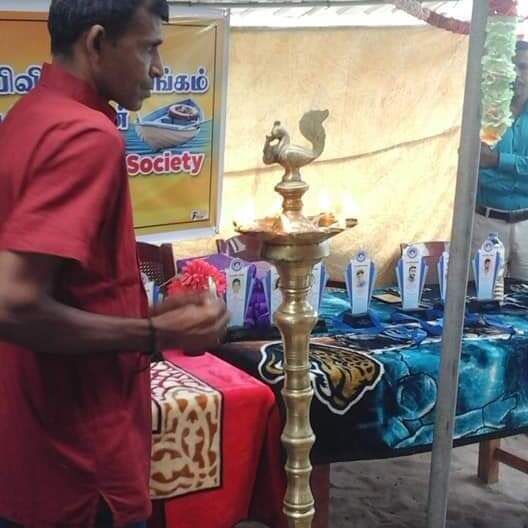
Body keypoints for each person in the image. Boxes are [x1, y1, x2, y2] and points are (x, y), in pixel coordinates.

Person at [0, 1, 228, 527]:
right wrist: (151, 332)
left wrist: (143, 312)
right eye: (149, 48)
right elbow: (13, 303)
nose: (159, 69)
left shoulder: (27, 117)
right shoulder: (87, 136)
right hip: (78, 460)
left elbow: (63, 284)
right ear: (98, 42)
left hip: (26, 444)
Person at [472, 40, 528, 281]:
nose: (517, 74)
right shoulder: (482, 114)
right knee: (481, 297)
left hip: (526, 224)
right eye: (512, 66)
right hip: (486, 223)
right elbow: (476, 167)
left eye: (523, 67)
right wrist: (520, 171)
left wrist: (497, 160)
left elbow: (487, 162)